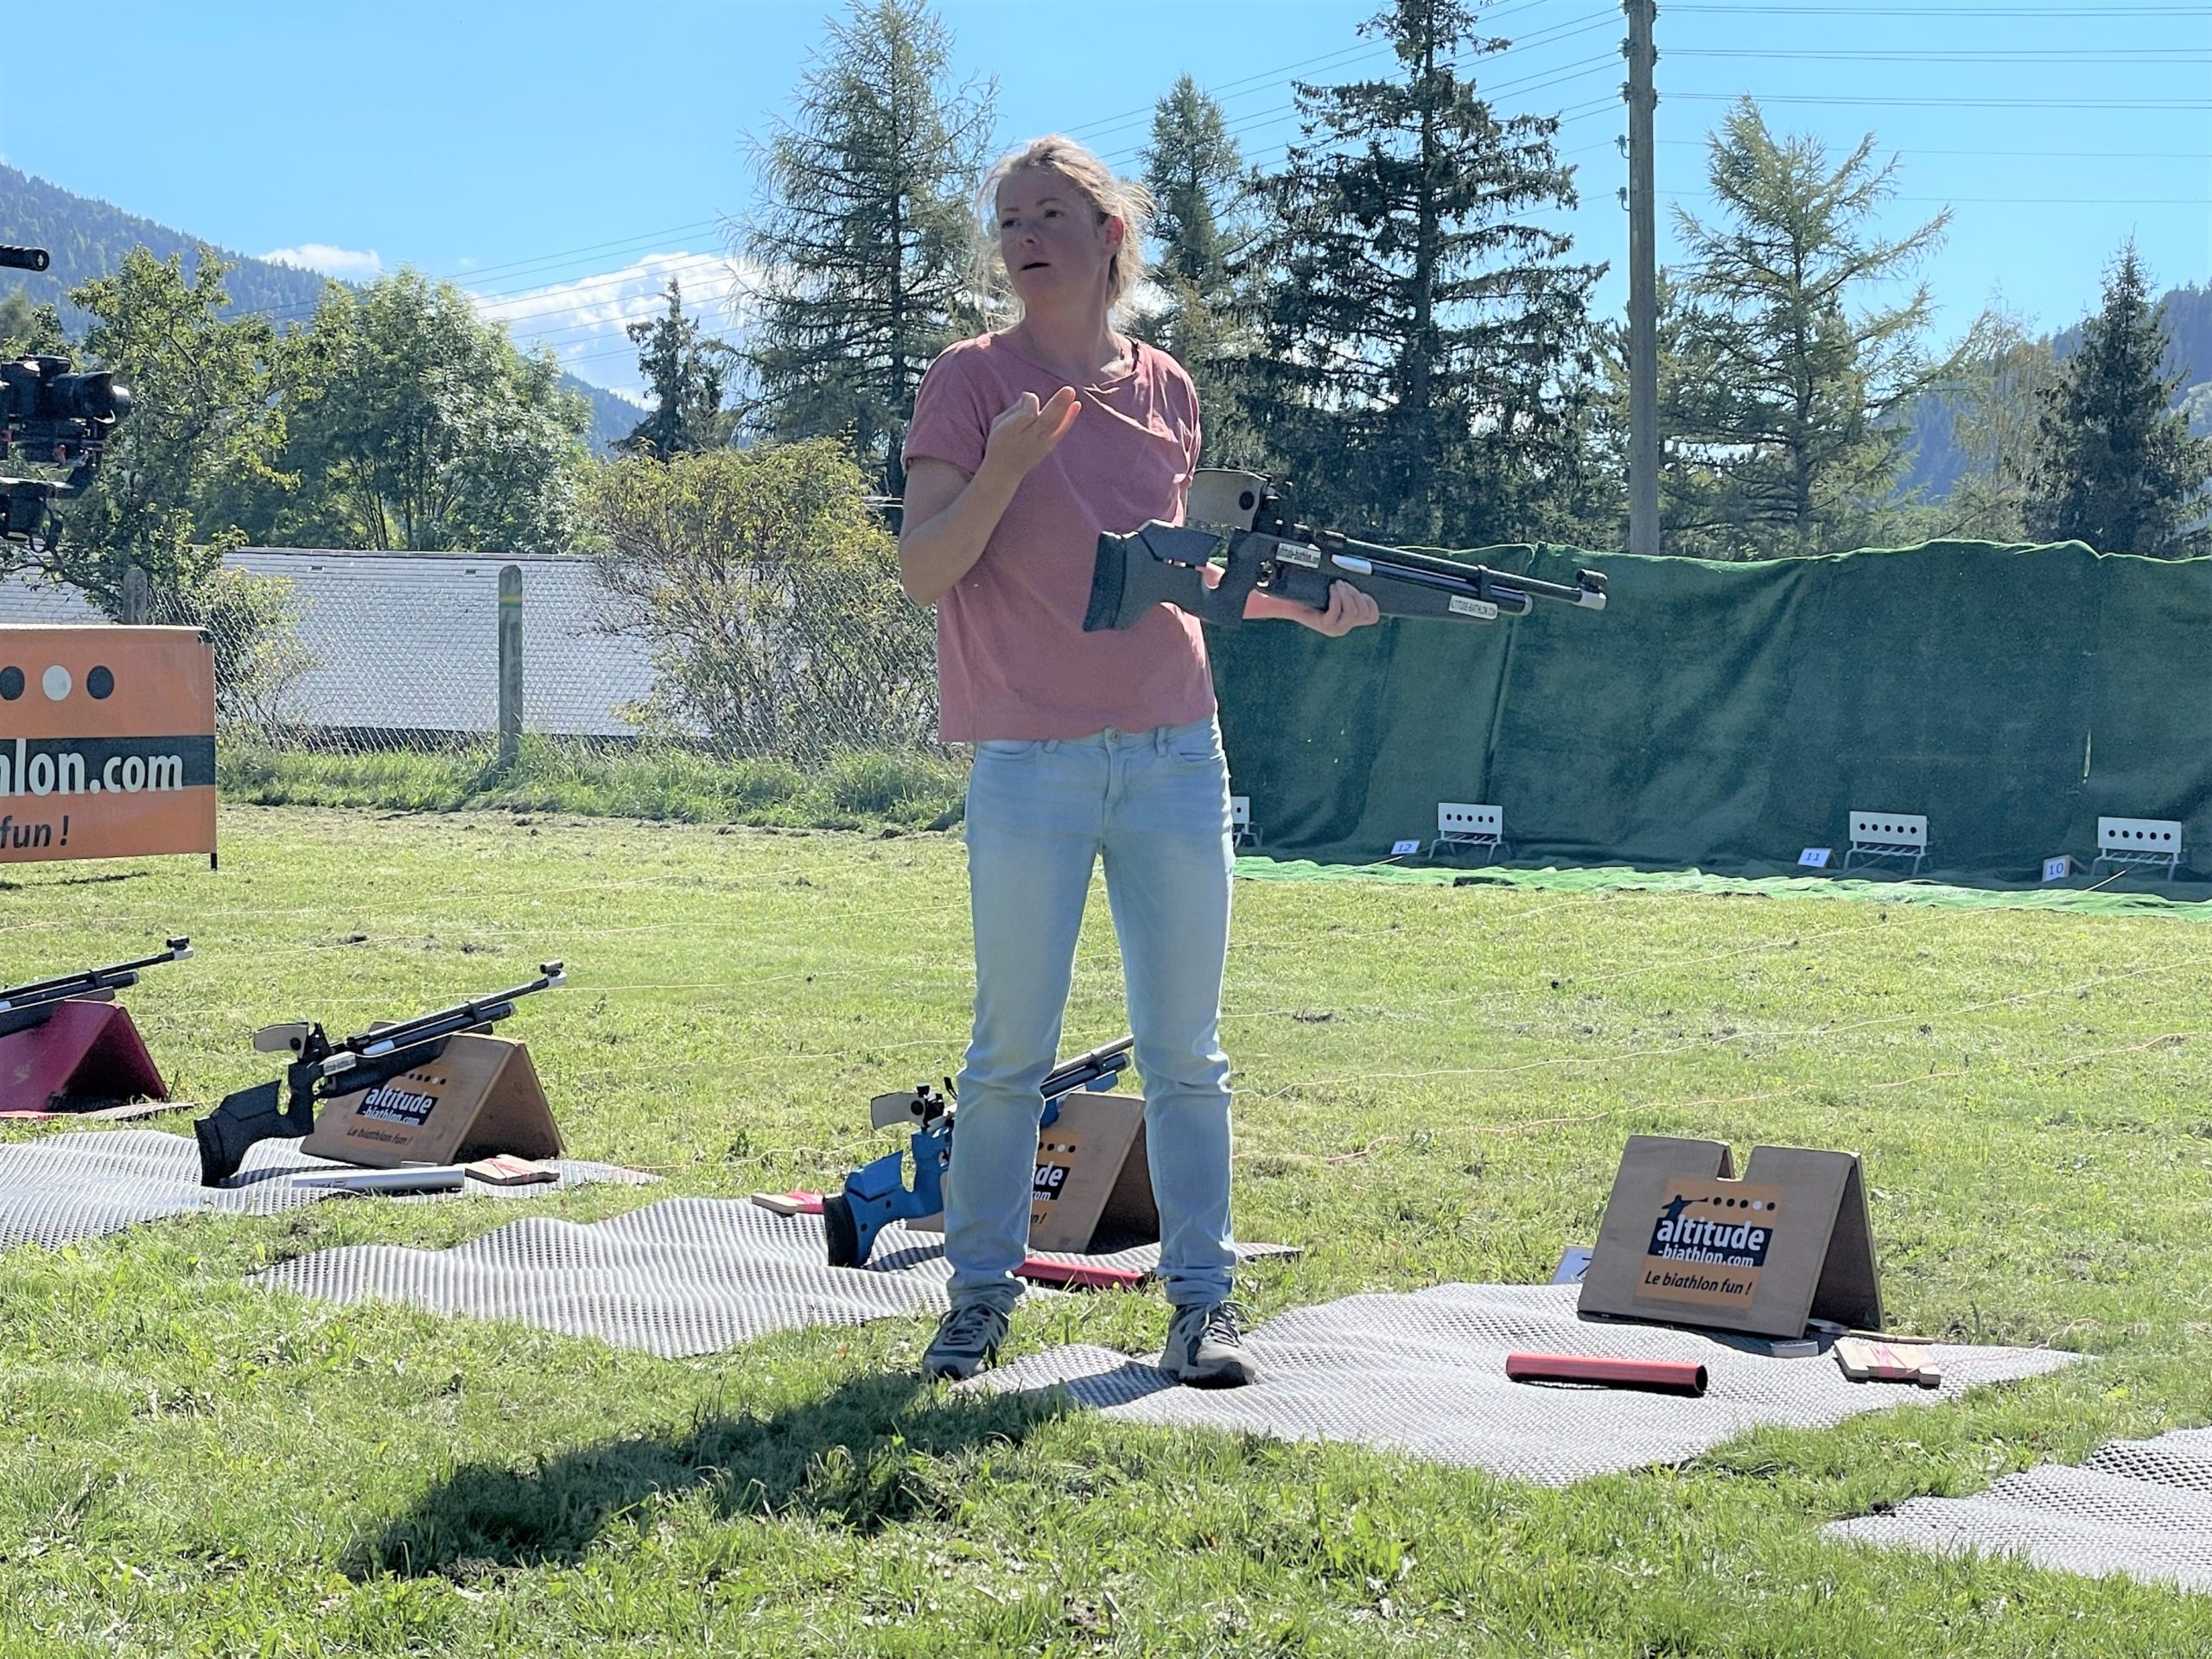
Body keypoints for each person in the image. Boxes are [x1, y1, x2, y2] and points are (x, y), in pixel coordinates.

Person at [896, 135, 1379, 1387]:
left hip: (1175, 752)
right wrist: (1007, 464)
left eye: (1051, 213)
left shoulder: (1166, 387)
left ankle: (1201, 1308)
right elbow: (926, 568)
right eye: (1008, 219)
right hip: (1027, 764)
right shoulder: (968, 380)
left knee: (1187, 1054)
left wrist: (1301, 606)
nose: (1022, 237)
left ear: (1110, 235)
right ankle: (979, 1301)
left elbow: (1185, 580)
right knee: (1010, 1052)